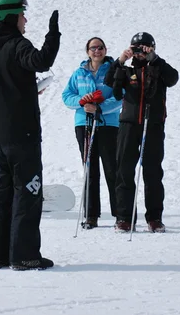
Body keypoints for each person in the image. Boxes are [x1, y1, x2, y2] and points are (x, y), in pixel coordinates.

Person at [0, 0, 60, 270]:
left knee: (2, 193)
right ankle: (25, 256)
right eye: (22, 14)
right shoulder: (16, 44)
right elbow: (40, 61)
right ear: (12, 17)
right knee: (28, 191)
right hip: (21, 135)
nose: (26, 19)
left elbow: (4, 90)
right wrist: (53, 36)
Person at [104, 32, 179, 233]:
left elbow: (173, 78)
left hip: (153, 125)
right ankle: (124, 218)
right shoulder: (126, 70)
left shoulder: (159, 68)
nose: (140, 52)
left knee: (153, 172)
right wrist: (121, 60)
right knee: (124, 172)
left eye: (145, 48)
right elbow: (109, 81)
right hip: (129, 125)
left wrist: (154, 58)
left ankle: (154, 218)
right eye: (137, 48)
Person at [62, 37, 122, 229]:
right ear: (87, 51)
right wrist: (82, 101)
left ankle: (121, 215)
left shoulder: (114, 71)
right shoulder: (79, 73)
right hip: (84, 124)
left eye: (100, 47)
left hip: (108, 124)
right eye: (93, 48)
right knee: (90, 168)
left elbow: (120, 96)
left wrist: (101, 108)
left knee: (112, 169)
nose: (97, 51)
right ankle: (91, 215)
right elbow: (67, 95)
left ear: (105, 50)